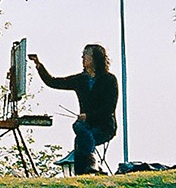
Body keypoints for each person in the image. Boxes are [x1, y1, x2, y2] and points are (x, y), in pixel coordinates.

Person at [30, 44, 118, 175]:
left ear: (95, 57)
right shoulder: (81, 79)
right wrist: (38, 65)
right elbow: (53, 82)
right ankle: (90, 166)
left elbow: (109, 108)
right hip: (86, 125)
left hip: (104, 126)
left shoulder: (109, 80)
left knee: (80, 136)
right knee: (81, 129)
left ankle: (84, 169)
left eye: (86, 54)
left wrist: (88, 116)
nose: (82, 57)